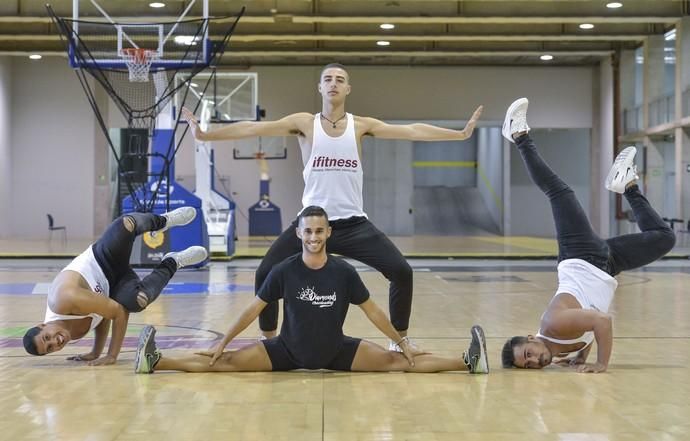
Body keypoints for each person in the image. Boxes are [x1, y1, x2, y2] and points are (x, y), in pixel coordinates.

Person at [182, 63, 483, 349]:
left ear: (348, 88)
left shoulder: (361, 125)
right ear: (320, 88)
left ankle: (399, 340)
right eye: (328, 79)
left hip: (353, 224)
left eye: (340, 79)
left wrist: (459, 134)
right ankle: (269, 340)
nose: (334, 83)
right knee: (265, 272)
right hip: (310, 225)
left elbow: (412, 131)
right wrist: (207, 134)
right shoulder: (304, 123)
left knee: (401, 271)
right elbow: (253, 128)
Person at [134, 205, 489, 374]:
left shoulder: (344, 272)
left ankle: (468, 361)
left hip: (337, 351)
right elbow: (253, 310)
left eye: (320, 231)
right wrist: (224, 339)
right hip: (286, 351)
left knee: (401, 361)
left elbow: (374, 312)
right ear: (299, 234)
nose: (314, 237)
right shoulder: (284, 270)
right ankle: (156, 360)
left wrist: (403, 340)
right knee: (220, 361)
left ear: (328, 233)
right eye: (308, 232)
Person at [499, 98, 676, 373]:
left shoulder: (553, 325)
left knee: (559, 193)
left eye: (528, 353)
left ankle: (518, 135)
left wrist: (600, 364)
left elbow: (601, 322)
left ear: (532, 338)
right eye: (529, 363)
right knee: (664, 238)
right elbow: (588, 327)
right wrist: (581, 355)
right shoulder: (558, 348)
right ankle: (626, 185)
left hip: (581, 255)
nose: (535, 360)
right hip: (607, 265)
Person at [22, 207, 208, 365]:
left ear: (43, 325)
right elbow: (101, 315)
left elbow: (117, 312)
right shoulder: (70, 333)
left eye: (47, 337)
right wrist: (96, 353)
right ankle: (173, 261)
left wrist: (111, 355)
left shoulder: (64, 299)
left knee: (128, 224)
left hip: (102, 258)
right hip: (114, 284)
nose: (56, 342)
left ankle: (163, 221)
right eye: (50, 348)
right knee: (139, 300)